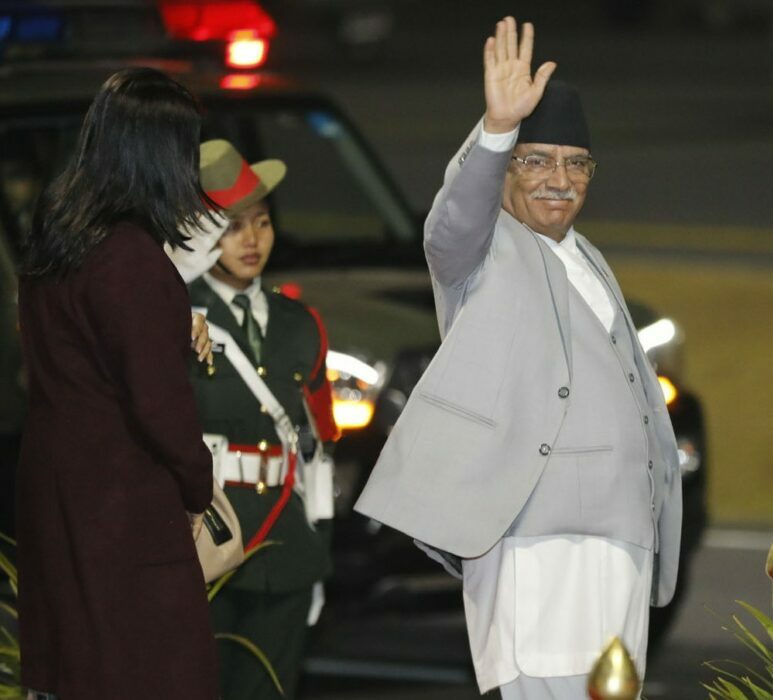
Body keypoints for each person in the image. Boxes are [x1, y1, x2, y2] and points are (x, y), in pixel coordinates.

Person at [355, 17, 682, 698]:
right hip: (539, 540)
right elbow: (453, 220)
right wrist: (498, 128)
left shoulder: (587, 257)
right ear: (505, 169)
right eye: (536, 161)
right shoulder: (482, 251)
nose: (559, 179)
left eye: (576, 163)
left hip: (619, 538)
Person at [15, 67, 217, 699]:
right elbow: (158, 406)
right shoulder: (131, 259)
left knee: (70, 670)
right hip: (122, 504)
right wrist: (198, 483)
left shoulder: (59, 233)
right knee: (143, 673)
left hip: (56, 489)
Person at [176, 139, 339, 700]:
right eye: (233, 227)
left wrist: (319, 541)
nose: (252, 240)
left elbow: (319, 443)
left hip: (287, 546)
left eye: (262, 223)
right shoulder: (172, 316)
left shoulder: (301, 323)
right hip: (206, 543)